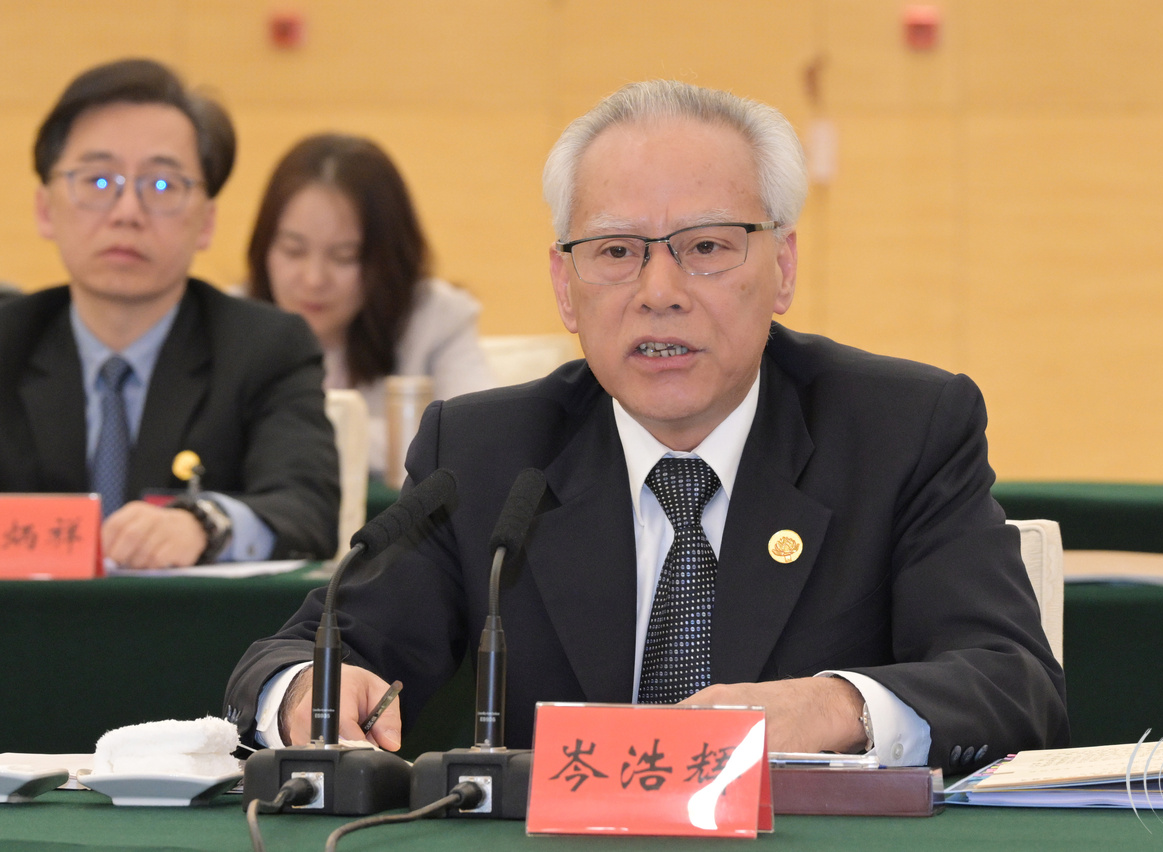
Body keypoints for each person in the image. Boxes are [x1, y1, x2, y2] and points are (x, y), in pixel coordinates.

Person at [226, 80, 1068, 770]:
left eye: (706, 247)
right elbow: (293, 656)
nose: (659, 291)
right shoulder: (485, 456)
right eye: (616, 251)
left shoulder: (900, 432)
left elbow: (1012, 684)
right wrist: (305, 693)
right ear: (565, 287)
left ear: (782, 267)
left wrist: (834, 705)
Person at [0, 58, 339, 569]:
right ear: (46, 210)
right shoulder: (8, 343)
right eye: (98, 181)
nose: (127, 213)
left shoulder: (266, 348)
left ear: (206, 222)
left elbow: (308, 509)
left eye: (161, 185)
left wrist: (205, 523)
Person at [246, 133, 496, 476]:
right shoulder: (229, 321)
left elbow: (482, 442)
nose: (314, 279)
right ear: (264, 248)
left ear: (387, 259)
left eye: (344, 257)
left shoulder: (436, 319)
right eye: (294, 251)